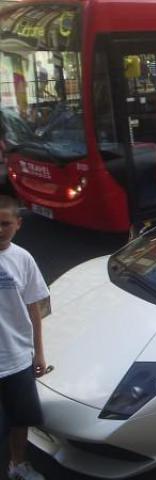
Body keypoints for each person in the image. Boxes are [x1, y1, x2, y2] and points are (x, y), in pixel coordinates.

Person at [0, 195, 49, 480]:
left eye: (5, 224)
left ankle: (17, 464)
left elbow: (34, 309)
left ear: (18, 224)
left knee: (21, 419)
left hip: (18, 359)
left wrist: (39, 353)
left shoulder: (23, 259)